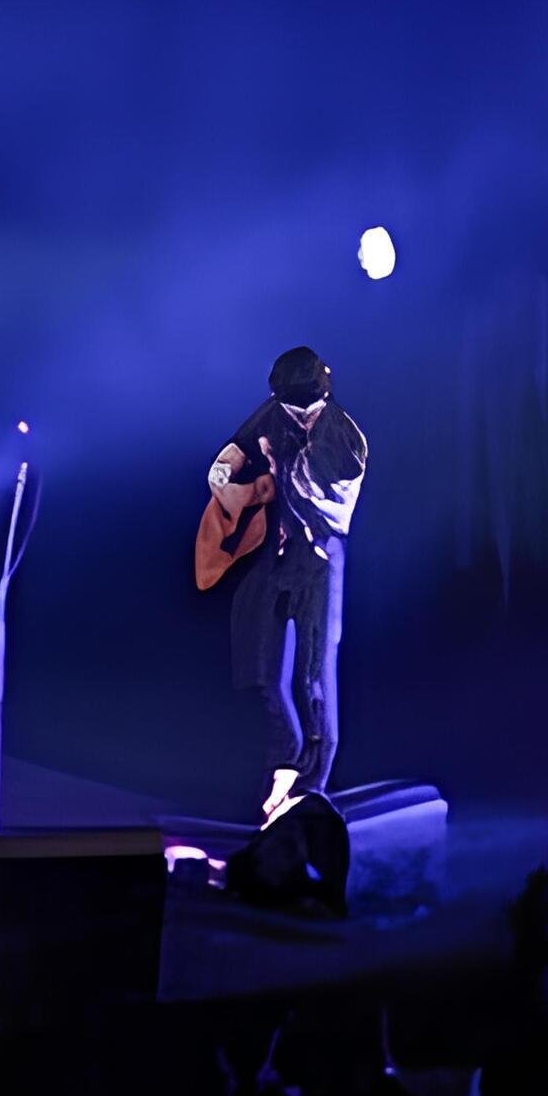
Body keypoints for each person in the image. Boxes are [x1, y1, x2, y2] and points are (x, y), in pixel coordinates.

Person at [208, 346, 369, 821]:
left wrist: (272, 476)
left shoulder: (345, 440)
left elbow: (322, 501)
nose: (296, 418)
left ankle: (314, 778)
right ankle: (284, 753)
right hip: (280, 556)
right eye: (290, 410)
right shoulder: (277, 411)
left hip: (321, 558)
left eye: (305, 411)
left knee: (315, 674)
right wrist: (223, 478)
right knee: (262, 663)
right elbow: (237, 447)